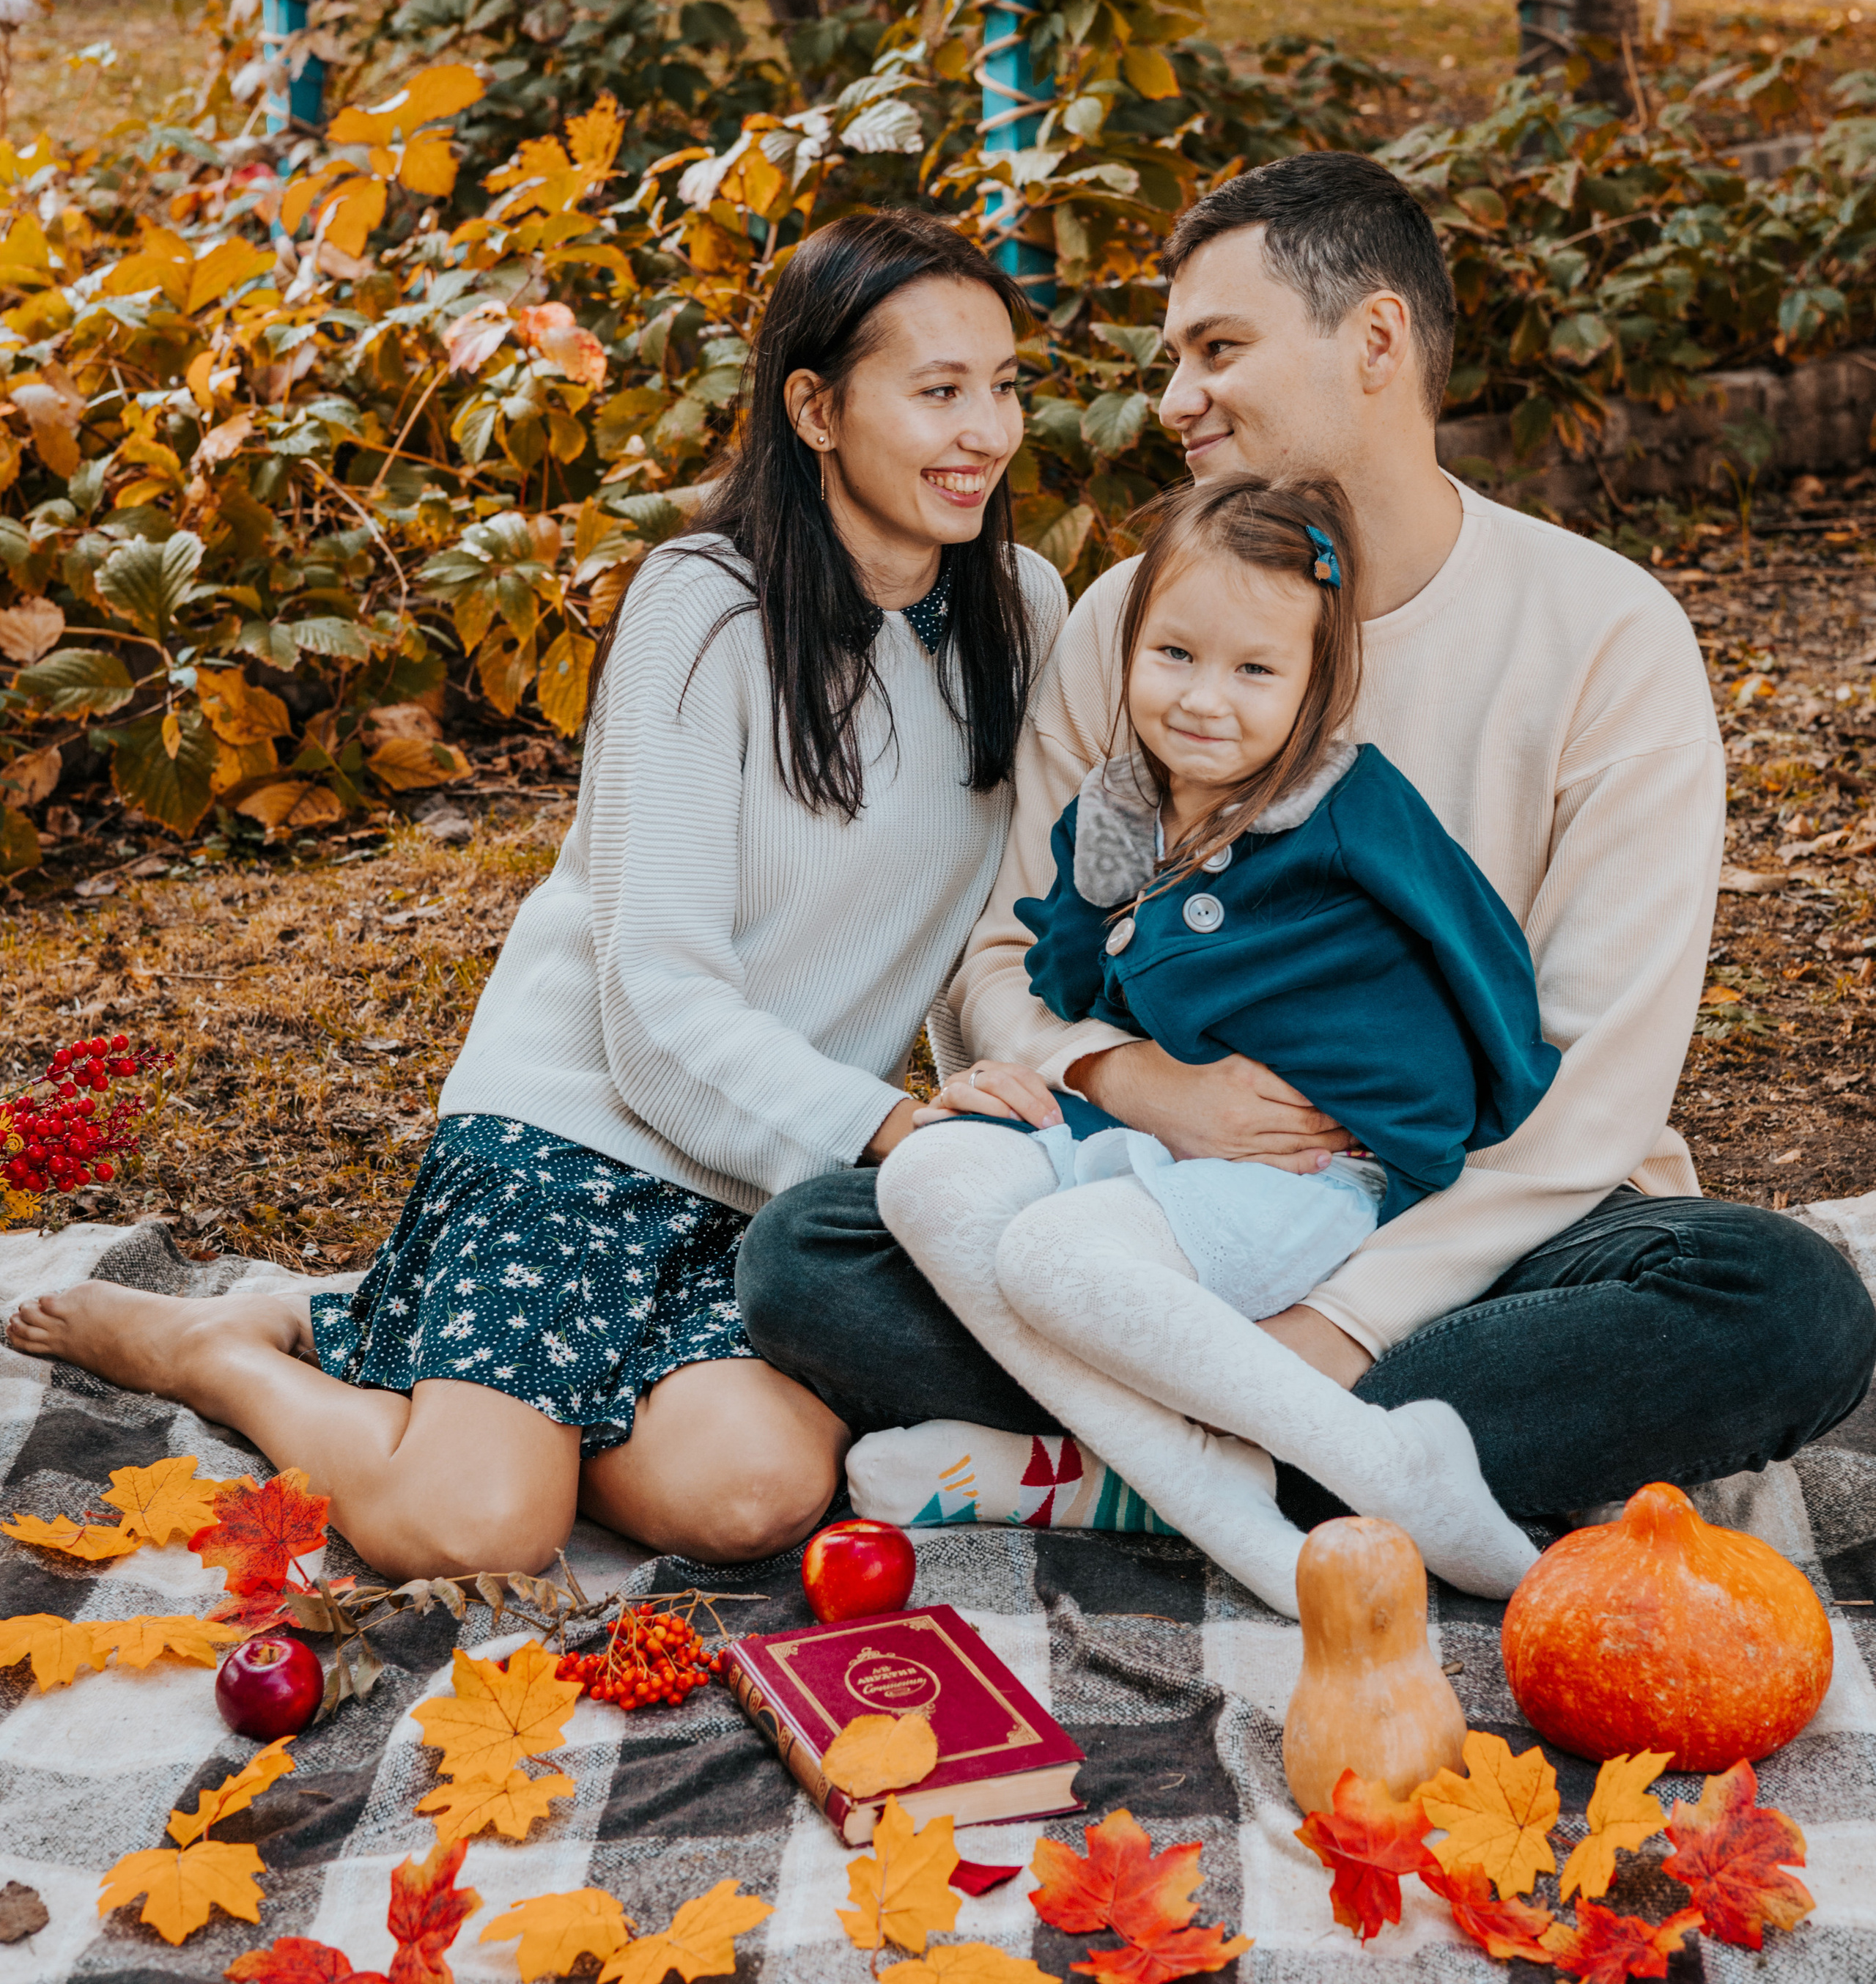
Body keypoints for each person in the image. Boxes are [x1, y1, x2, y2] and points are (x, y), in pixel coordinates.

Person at [739, 154, 1876, 1545]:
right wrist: (1137, 1079)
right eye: (1174, 358)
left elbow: (1597, 1086)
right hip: (1145, 1207)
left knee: (1790, 1304)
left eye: (1220, 349)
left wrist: (1341, 1321)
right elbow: (1003, 959)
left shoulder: (1604, 633)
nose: (1174, 398)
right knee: (810, 1254)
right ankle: (1313, 1462)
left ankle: (1138, 1467)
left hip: (1487, 1223)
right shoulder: (1128, 624)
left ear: (1377, 340)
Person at [5, 211, 1066, 1581]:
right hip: (581, 1129)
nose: (985, 430)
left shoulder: (1024, 610)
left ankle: (415, 1357)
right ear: (814, 406)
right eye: (938, 392)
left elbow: (1013, 920)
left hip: (773, 1179)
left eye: (1004, 386)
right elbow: (657, 1000)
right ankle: (226, 1352)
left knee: (752, 1496)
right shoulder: (706, 608)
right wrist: (900, 1129)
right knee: (476, 1530)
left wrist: (994, 1122)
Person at [854, 471, 1557, 1611]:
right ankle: (1216, 1480)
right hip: (1148, 1141)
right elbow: (1066, 968)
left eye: (1255, 671)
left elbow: (1481, 956)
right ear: (1131, 643)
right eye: (1174, 654)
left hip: (1311, 1166)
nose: (1202, 700)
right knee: (923, 1179)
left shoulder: (1348, 804)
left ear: (1316, 688)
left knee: (1052, 1262)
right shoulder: (1121, 805)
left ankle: (1369, 1469)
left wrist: (1439, 1133)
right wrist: (1068, 1062)